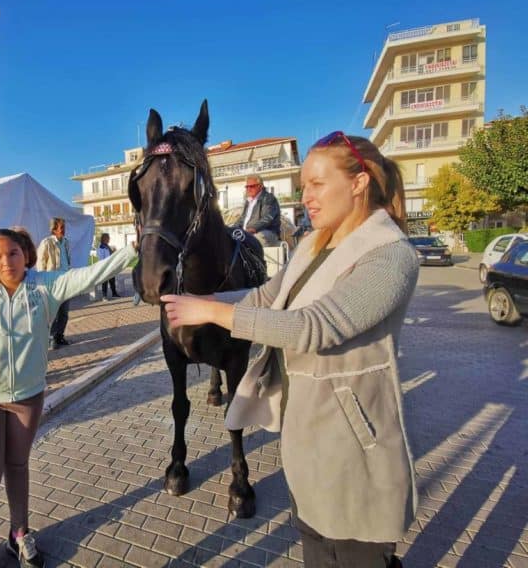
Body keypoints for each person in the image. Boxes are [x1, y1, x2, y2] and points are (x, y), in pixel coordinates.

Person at [162, 133, 417, 568]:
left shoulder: (390, 256)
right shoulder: (314, 245)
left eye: (317, 184)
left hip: (352, 444)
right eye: (304, 186)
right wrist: (193, 303)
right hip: (305, 435)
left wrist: (213, 312)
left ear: (358, 183)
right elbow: (263, 298)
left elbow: (313, 327)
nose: (306, 196)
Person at [0, 227, 136, 568]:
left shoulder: (45, 286)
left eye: (12, 253)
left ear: (25, 254)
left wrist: (133, 249)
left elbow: (89, 275)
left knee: (18, 467)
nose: (6, 262)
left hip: (27, 397)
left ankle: (19, 534)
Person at [36, 217, 71, 349]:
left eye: (64, 228)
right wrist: (44, 283)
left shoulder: (66, 242)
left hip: (66, 280)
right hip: (52, 282)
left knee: (64, 312)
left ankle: (60, 336)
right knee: (54, 312)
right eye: (61, 228)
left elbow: (67, 260)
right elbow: (41, 264)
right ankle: (51, 338)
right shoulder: (47, 242)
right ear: (54, 229)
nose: (64, 230)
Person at [233, 175, 282, 246]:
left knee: (254, 239)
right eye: (247, 187)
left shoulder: (268, 198)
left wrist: (253, 228)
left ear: (260, 186)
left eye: (252, 186)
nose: (249, 189)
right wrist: (232, 229)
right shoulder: (248, 201)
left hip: (267, 232)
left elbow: (267, 218)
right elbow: (242, 219)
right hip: (247, 232)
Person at [96, 233, 121, 300]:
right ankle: (104, 296)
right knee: (105, 281)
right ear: (104, 238)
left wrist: (113, 251)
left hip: (110, 266)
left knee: (112, 280)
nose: (109, 239)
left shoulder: (107, 246)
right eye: (108, 238)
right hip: (105, 266)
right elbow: (101, 258)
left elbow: (110, 255)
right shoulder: (101, 247)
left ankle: (114, 293)